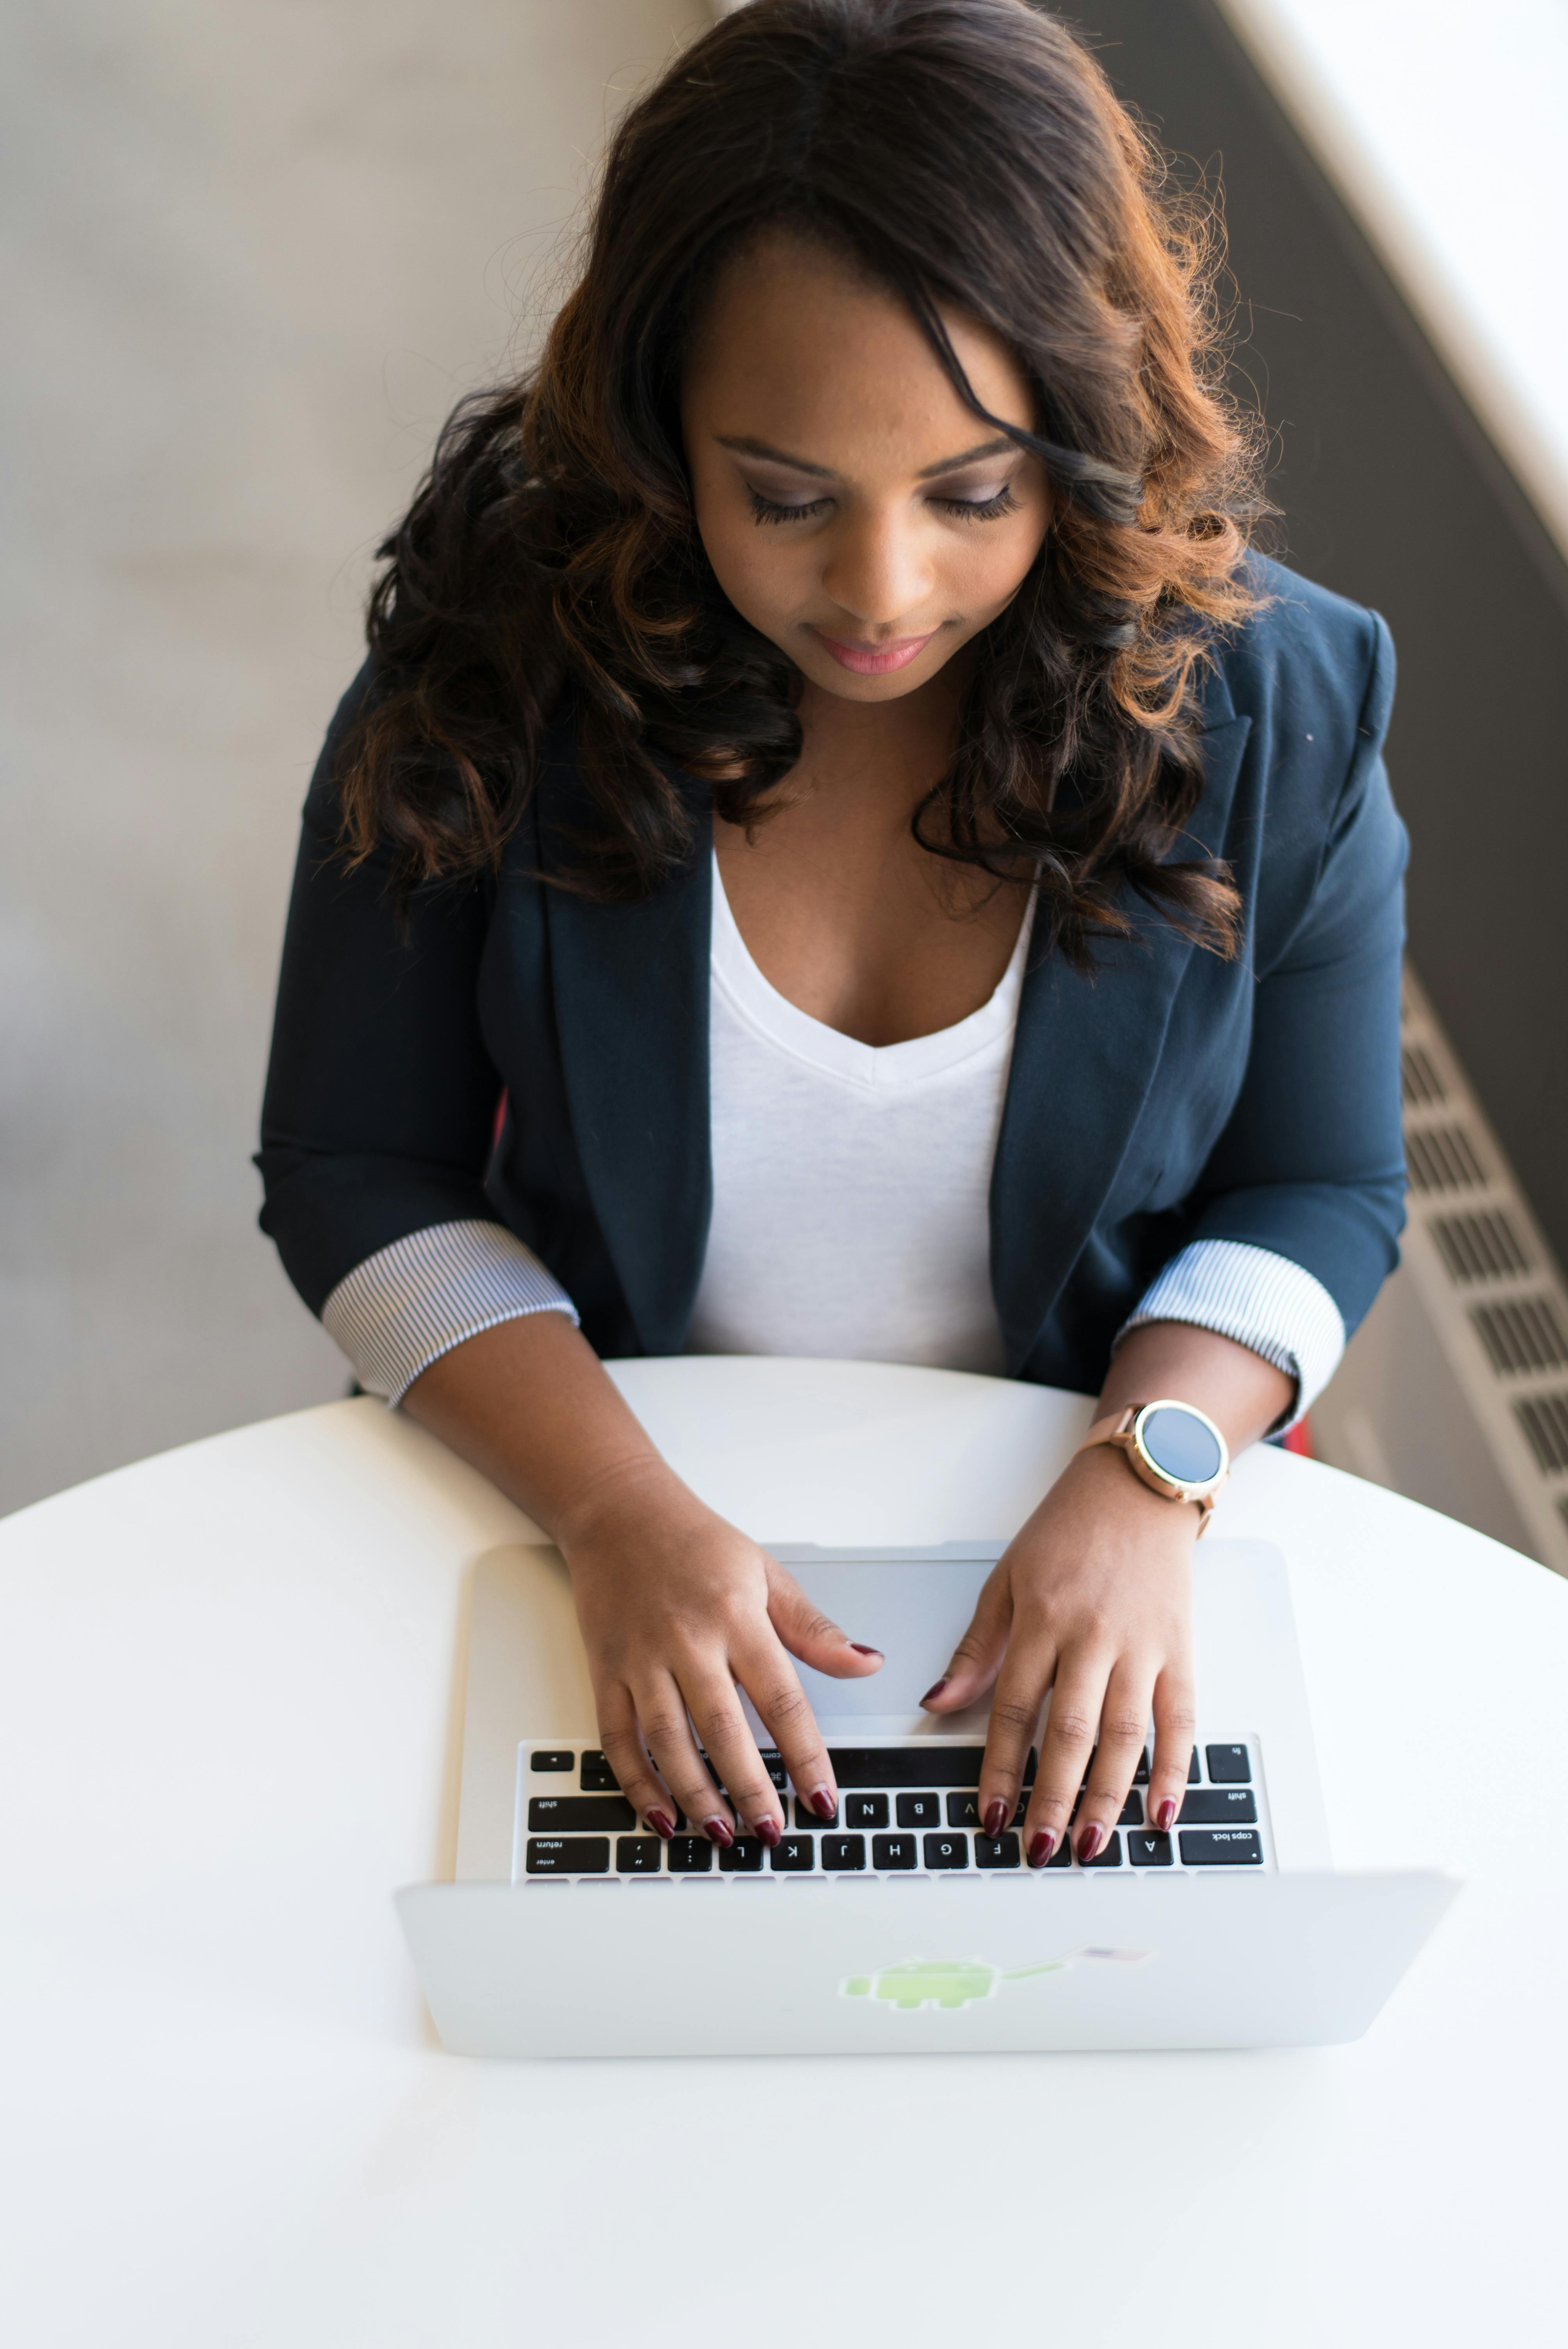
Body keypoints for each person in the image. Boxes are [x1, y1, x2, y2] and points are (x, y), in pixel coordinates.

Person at [258, 0, 1404, 1871]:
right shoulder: (489, 660)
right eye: (783, 497)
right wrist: (617, 1517)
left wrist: (1148, 1484)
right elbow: (353, 1166)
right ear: (656, 428)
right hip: (597, 1503)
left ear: (1083, 436)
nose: (879, 593)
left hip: (1054, 1538)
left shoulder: (1276, 698)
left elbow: (1323, 1187)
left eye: (972, 494)